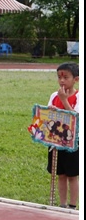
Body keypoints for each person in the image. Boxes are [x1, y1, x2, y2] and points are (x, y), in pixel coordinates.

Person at [46, 62, 80, 209]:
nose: (62, 81)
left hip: (73, 143)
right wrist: (51, 111)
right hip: (56, 141)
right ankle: (62, 204)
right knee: (60, 174)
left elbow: (76, 118)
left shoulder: (79, 96)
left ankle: (72, 205)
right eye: (59, 77)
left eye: (66, 77)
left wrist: (64, 100)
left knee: (72, 175)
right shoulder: (54, 95)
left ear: (76, 79)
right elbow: (47, 117)